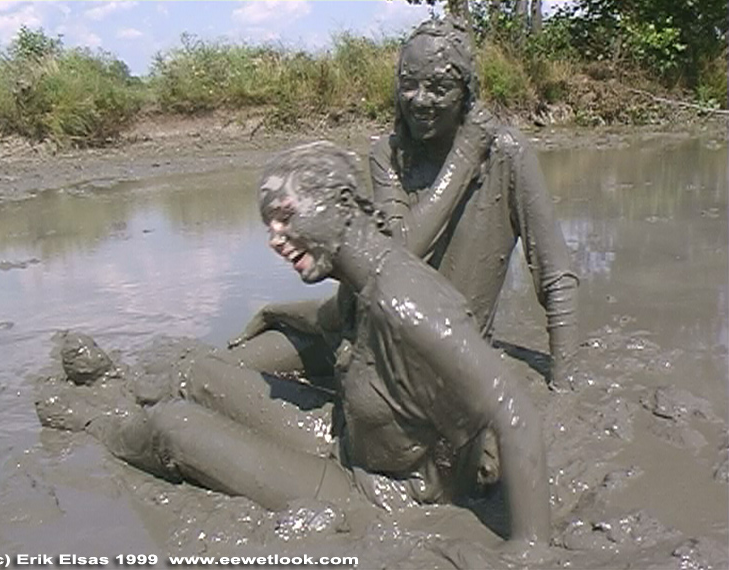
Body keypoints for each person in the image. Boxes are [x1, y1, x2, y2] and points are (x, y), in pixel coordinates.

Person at [36, 142, 551, 548]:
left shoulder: (406, 302)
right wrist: (272, 313)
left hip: (385, 493)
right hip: (349, 438)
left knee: (174, 427)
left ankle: (96, 422)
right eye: (270, 225)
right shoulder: (363, 279)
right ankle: (115, 385)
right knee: (197, 371)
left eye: (285, 217)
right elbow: (326, 319)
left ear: (342, 205)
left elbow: (516, 412)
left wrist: (529, 548)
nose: (274, 238)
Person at [368, 16, 578, 389]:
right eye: (408, 84)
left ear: (466, 93)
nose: (420, 100)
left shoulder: (505, 154)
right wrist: (464, 158)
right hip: (377, 340)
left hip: (452, 360)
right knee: (257, 352)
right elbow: (395, 259)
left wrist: (565, 385)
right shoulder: (389, 155)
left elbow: (556, 276)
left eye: (439, 87)